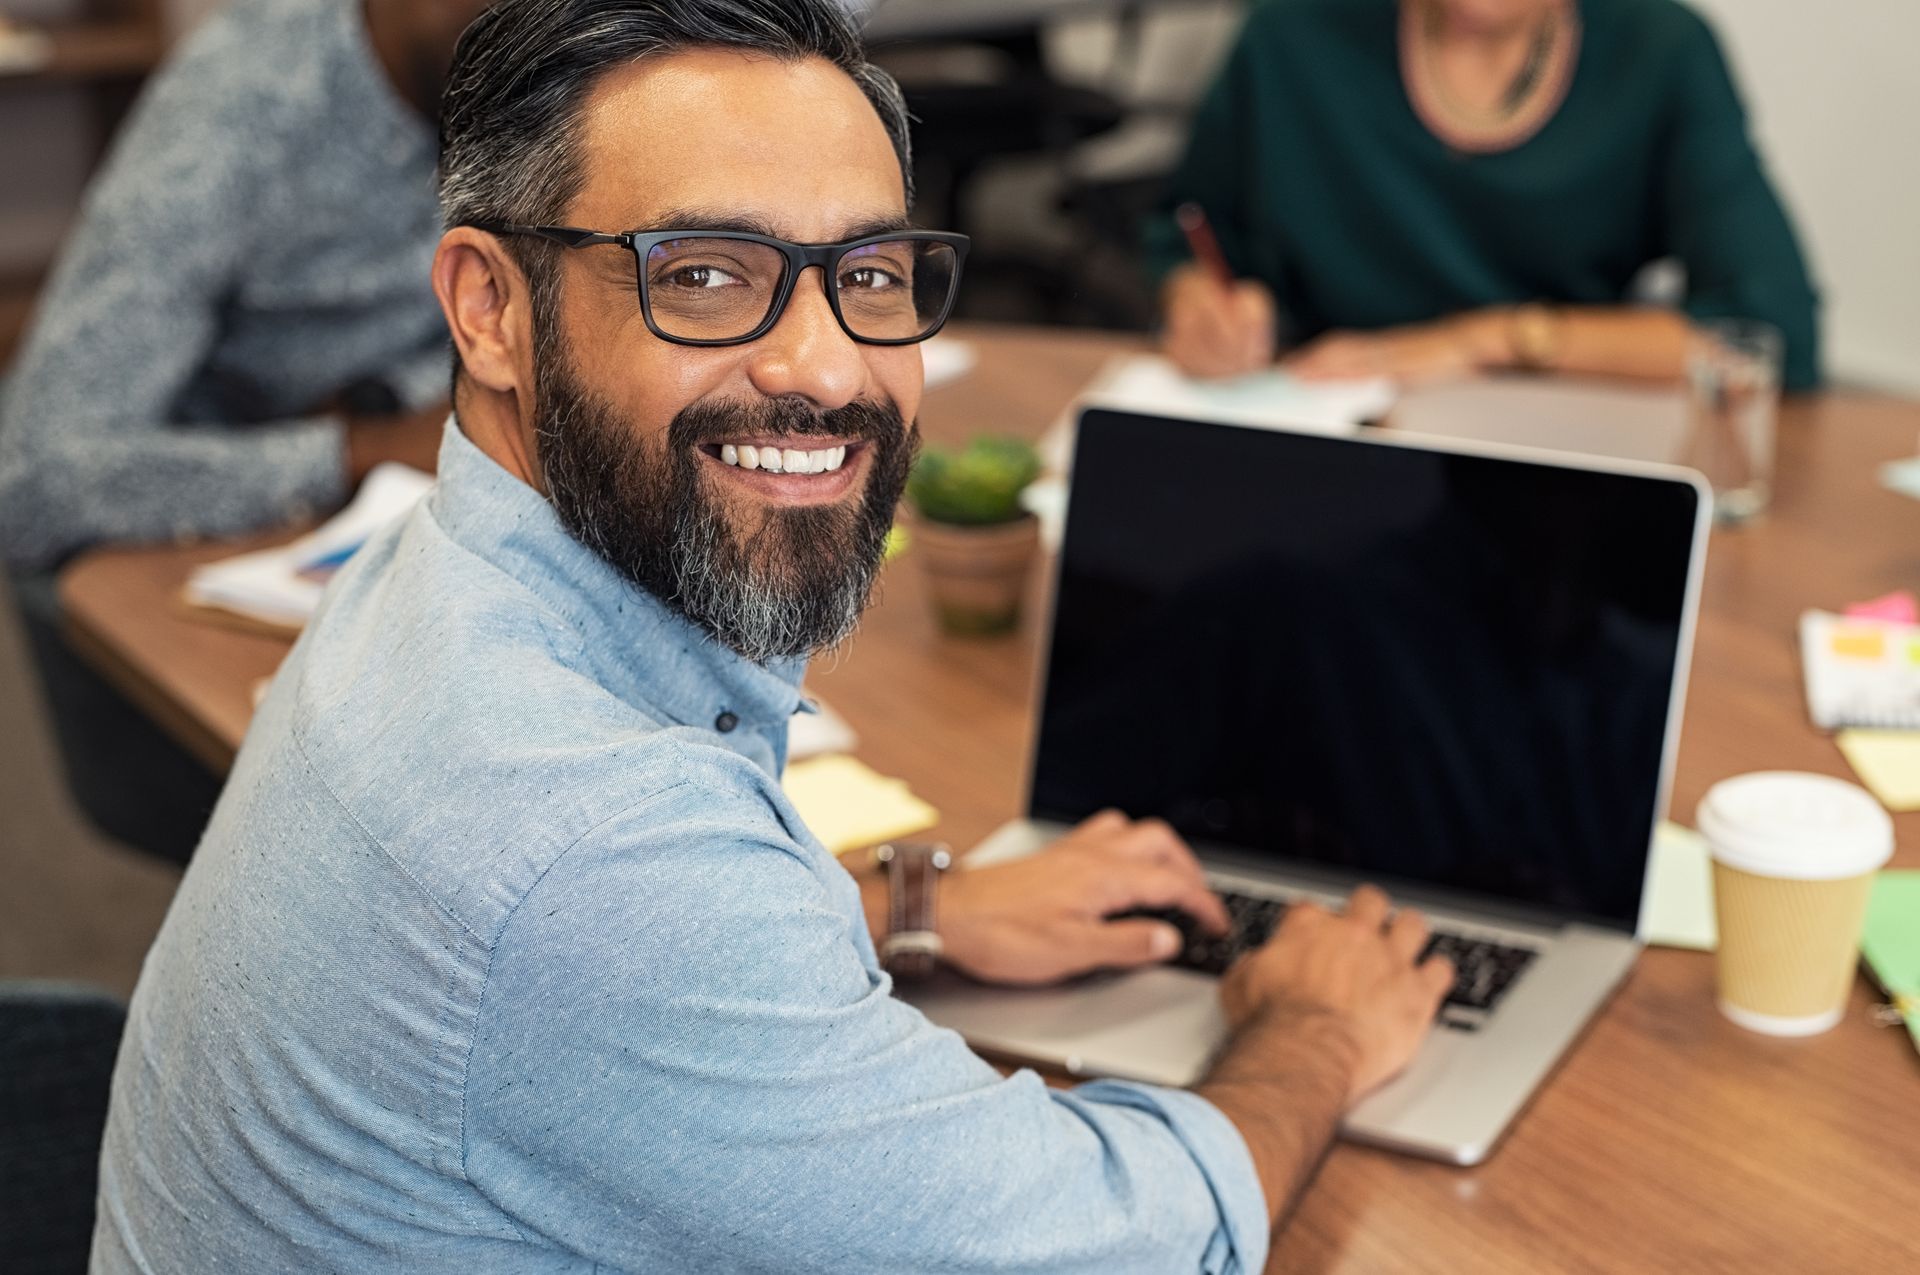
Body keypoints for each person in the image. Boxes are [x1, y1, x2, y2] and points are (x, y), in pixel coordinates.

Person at [92, 2, 1455, 1270]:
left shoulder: (424, 573)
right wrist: (1314, 1029)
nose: (822, 363)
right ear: (490, 308)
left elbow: (571, 979)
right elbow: (1121, 1241)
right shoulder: (597, 844)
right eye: (703, 273)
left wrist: (916, 910)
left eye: (867, 271)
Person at [0, 0, 493, 861]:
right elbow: (31, 476)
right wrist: (355, 451)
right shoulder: (242, 106)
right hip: (199, 573)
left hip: (437, 524)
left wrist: (389, 398)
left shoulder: (561, 73)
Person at [1151, 0, 1821, 390]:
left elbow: (1773, 336)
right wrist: (1196, 301)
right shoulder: (1293, 32)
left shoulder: (1660, 50)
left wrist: (1483, 341)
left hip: (1555, 450)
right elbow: (1186, 233)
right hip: (1325, 426)